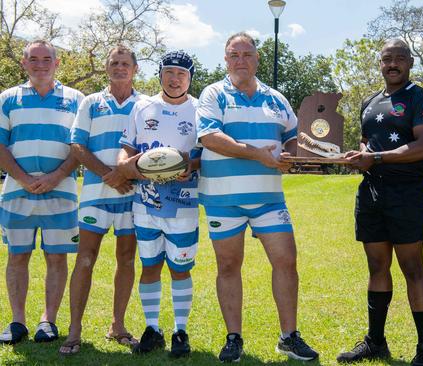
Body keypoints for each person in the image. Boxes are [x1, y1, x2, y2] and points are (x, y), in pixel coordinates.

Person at [196, 32, 318, 362]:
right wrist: (257, 155)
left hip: (269, 198)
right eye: (233, 55)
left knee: (286, 261)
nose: (240, 60)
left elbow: (294, 136)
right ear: (225, 59)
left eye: (246, 54)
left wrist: (291, 157)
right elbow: (210, 137)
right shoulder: (214, 93)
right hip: (224, 198)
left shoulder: (276, 98)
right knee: (229, 265)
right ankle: (234, 337)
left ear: (257, 59)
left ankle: (289, 337)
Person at [336, 39, 423, 366]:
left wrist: (375, 157)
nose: (392, 64)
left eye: (399, 58)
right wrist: (360, 155)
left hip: (407, 193)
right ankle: (375, 341)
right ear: (380, 64)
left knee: (412, 268)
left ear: (409, 62)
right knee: (377, 267)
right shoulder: (370, 101)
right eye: (386, 59)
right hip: (371, 193)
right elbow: (367, 143)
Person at [58, 45, 144, 355]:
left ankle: (117, 326)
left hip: (132, 195)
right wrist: (110, 174)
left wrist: (126, 174)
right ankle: (74, 330)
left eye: (125, 63)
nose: (120, 67)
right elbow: (77, 145)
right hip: (96, 194)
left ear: (135, 69)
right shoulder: (91, 102)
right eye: (114, 63)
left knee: (126, 260)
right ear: (107, 68)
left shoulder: (145, 104)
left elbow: (148, 148)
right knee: (85, 259)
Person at [117, 50, 201, 358]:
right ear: (160, 75)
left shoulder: (199, 109)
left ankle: (181, 331)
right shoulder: (142, 106)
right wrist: (126, 166)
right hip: (146, 203)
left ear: (189, 78)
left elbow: (206, 152)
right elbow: (125, 149)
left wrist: (191, 165)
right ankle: (152, 329)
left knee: (180, 268)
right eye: (169, 72)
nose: (175, 78)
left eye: (182, 74)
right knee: (150, 265)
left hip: (183, 203)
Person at [0, 40, 83, 344]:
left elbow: (80, 145)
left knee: (56, 257)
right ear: (24, 64)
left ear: (57, 63)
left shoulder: (76, 99)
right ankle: (17, 321)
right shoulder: (7, 99)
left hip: (60, 191)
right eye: (33, 59)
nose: (40, 64)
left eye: (46, 59)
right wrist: (22, 177)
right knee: (17, 256)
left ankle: (48, 321)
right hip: (16, 192)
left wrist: (58, 175)